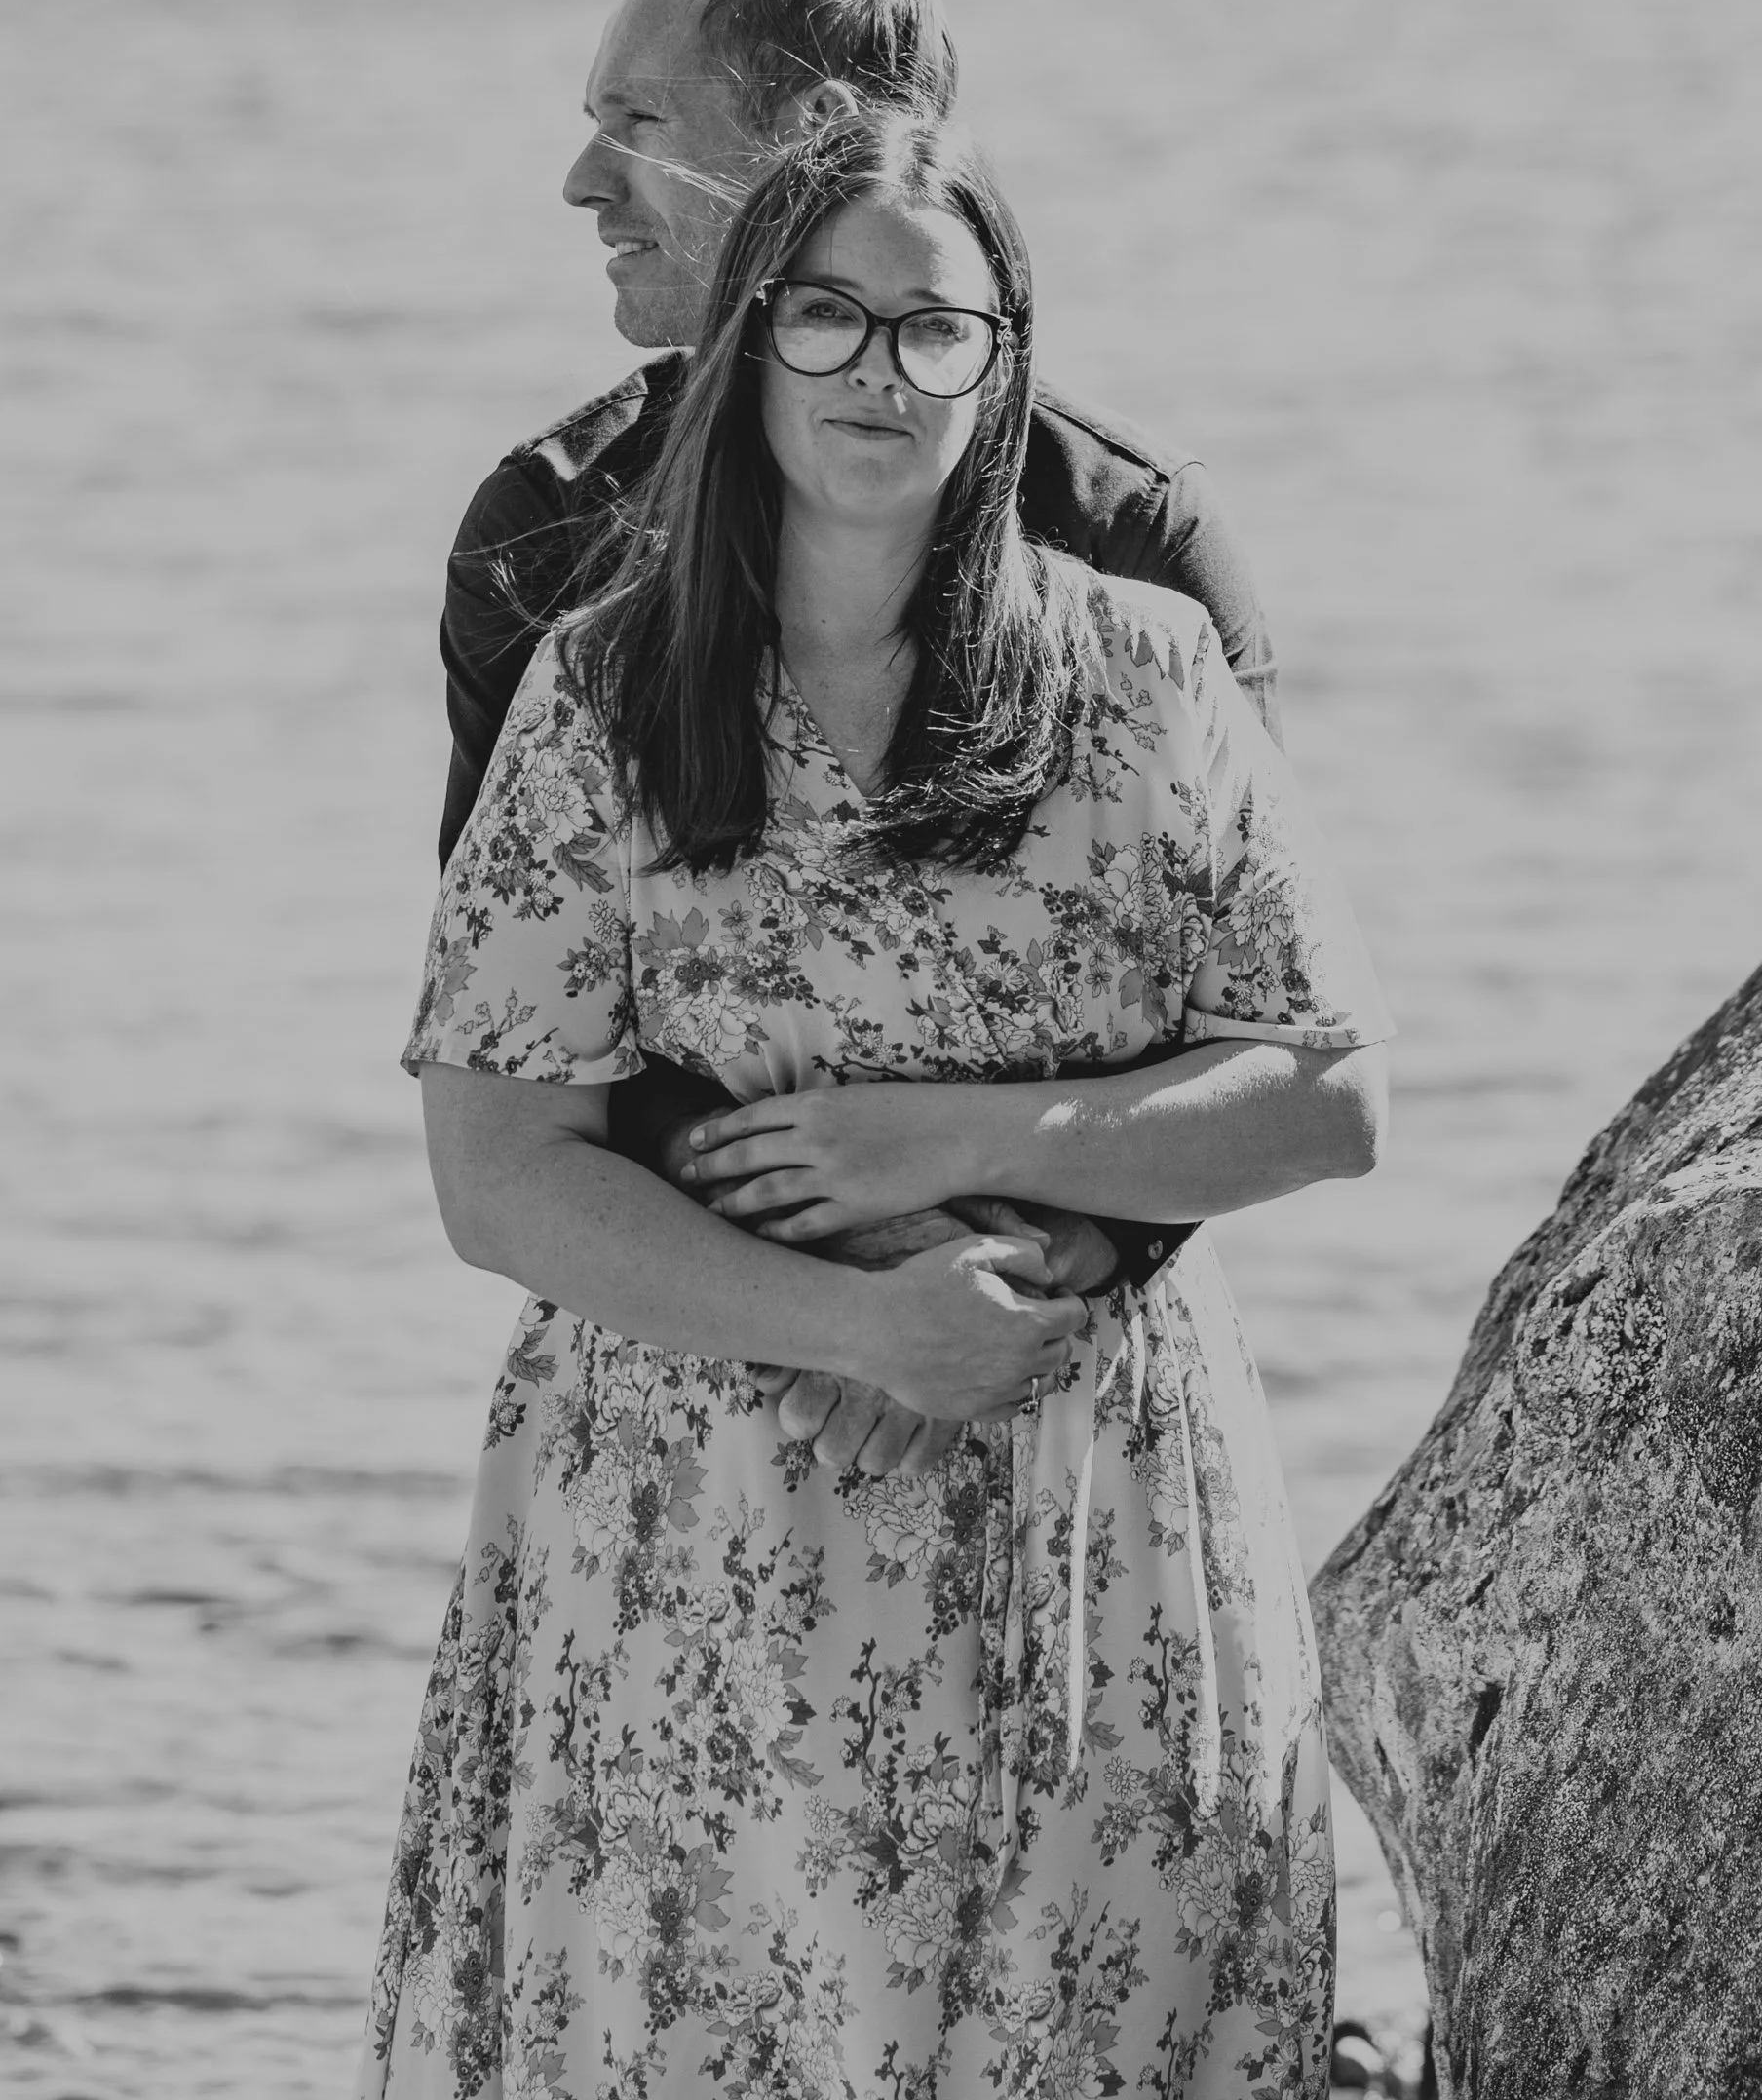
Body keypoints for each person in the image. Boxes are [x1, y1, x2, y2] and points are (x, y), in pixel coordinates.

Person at [359, 110, 1392, 2098]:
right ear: (745, 345)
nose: (878, 376)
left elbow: (1328, 1094)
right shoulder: (600, 696)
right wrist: (862, 1327)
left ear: (1004, 363)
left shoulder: (1143, 671)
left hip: (1090, 1518)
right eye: (828, 322)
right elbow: (496, 1175)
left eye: (937, 330)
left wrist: (968, 1139)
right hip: (682, 1551)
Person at [439, 0, 1284, 1473]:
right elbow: (531, 1060)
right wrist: (840, 1313)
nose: (581, 181)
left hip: (1062, 1383)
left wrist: (1047, 1263)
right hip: (692, 1411)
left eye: (638, 125)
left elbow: (1251, 1022)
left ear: (813, 151)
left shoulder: (1135, 545)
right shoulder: (547, 539)